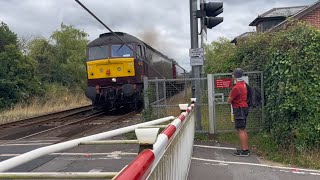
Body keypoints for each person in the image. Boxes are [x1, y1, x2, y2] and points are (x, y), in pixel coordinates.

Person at [227, 68, 250, 156]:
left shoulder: (236, 87)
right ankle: (245, 149)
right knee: (243, 129)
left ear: (234, 76)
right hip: (244, 107)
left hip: (239, 109)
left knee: (241, 130)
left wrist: (229, 98)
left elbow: (229, 100)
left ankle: (244, 150)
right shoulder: (244, 84)